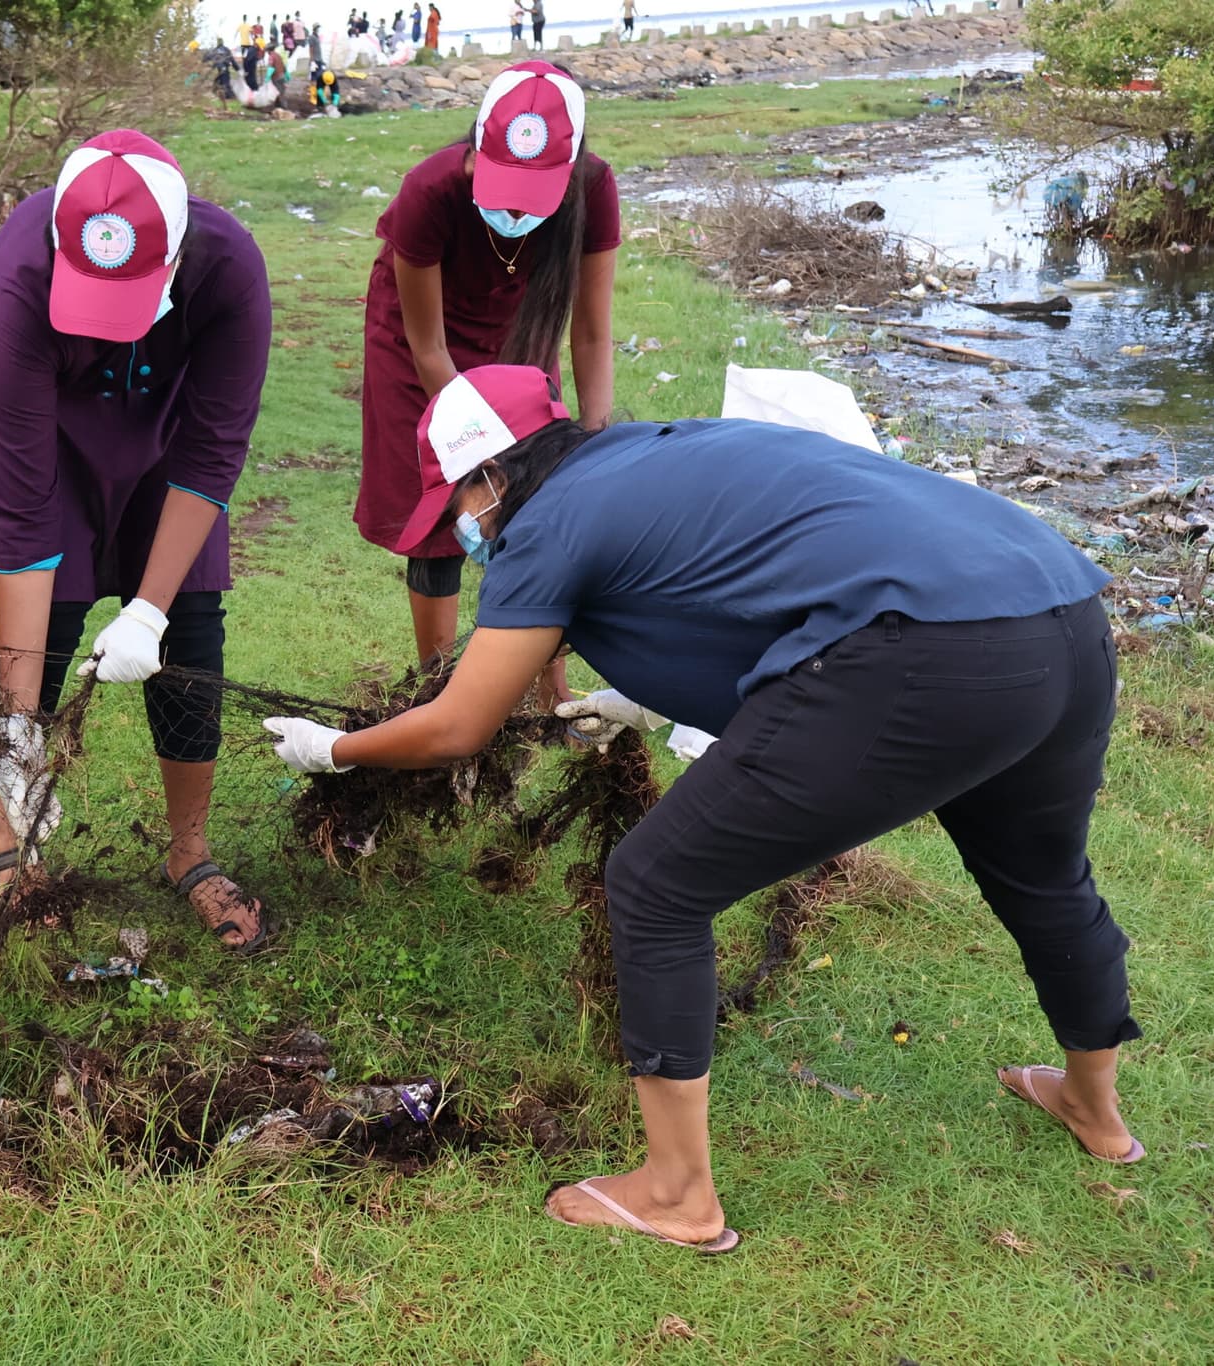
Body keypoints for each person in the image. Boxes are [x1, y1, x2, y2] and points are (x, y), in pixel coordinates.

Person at [266, 364, 1142, 1250]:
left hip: (922, 649)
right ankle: (1092, 1107)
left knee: (655, 882)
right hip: (1061, 610)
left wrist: (328, 750)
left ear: (492, 475)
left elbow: (458, 726)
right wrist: (642, 699)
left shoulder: (549, 521)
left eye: (458, 503)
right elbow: (759, 586)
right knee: (1042, 872)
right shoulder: (656, 454)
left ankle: (677, 1193)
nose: (462, 530)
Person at [0, 132, 274, 953]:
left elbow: (211, 452)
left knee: (191, 625)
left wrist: (148, 612)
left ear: (175, 258)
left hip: (162, 439)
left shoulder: (230, 269)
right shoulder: (21, 281)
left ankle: (190, 855)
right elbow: (22, 525)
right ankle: (12, 830)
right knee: (43, 623)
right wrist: (17, 741)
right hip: (38, 434)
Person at [354, 61, 620, 671]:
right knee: (444, 509)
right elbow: (429, 347)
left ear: (570, 170)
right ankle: (437, 683)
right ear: (475, 152)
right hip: (418, 344)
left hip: (517, 336)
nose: (517, 214)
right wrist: (475, 447)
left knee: (540, 503)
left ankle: (549, 688)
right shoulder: (429, 190)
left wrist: (595, 442)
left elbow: (592, 331)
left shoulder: (595, 188)